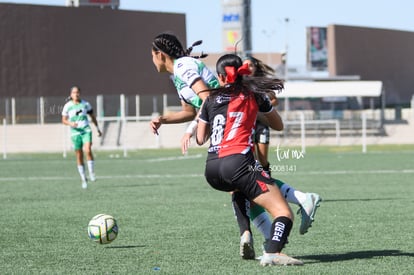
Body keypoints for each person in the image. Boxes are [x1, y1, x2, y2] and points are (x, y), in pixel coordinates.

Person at [148, 32, 319, 260]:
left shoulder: (183, 66)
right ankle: (281, 227)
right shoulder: (177, 76)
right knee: (250, 182)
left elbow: (207, 97)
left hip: (228, 131)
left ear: (159, 54)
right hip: (232, 129)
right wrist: (164, 119)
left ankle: (264, 228)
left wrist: (193, 129)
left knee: (250, 179)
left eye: (151, 55)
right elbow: (191, 111)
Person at [196, 53, 303, 266]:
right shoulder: (255, 94)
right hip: (238, 162)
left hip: (212, 168)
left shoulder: (210, 98)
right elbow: (278, 125)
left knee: (239, 189)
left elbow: (200, 138)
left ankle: (245, 232)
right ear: (243, 74)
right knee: (283, 212)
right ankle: (273, 251)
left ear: (220, 77)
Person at [62, 86, 102, 189]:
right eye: (74, 92)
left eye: (78, 92)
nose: (76, 94)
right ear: (71, 94)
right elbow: (64, 120)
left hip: (85, 130)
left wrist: (97, 128)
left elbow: (93, 117)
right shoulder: (67, 106)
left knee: (88, 150)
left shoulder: (86, 104)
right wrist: (71, 123)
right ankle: (83, 178)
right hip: (75, 133)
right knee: (79, 155)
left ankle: (91, 173)